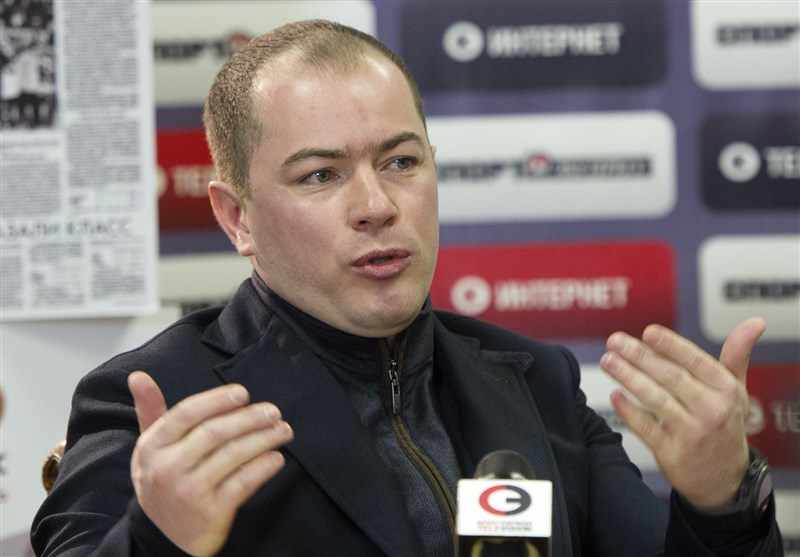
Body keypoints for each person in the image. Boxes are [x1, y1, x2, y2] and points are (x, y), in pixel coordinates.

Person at [30, 19, 782, 557]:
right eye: (320, 175)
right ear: (238, 218)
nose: (376, 205)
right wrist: (159, 539)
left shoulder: (535, 381)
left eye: (400, 162)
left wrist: (721, 497)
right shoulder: (158, 399)